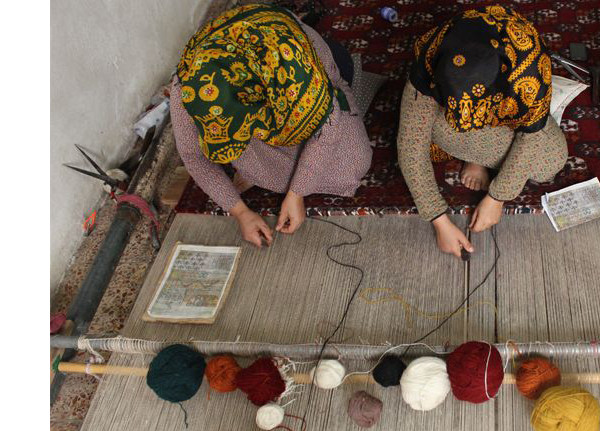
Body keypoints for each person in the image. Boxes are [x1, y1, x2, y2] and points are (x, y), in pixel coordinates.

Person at [171, 4, 372, 247]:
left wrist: (296, 193)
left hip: (318, 75)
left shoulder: (289, 62)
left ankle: (343, 67)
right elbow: (193, 155)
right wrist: (240, 212)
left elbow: (329, 121)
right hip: (270, 103)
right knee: (275, 174)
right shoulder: (190, 87)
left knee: (353, 164)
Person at [397, 5, 568, 258]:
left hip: (505, 112)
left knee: (550, 163)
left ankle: (476, 153)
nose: (465, 120)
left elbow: (531, 135)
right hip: (451, 116)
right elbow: (411, 144)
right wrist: (439, 221)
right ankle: (474, 156)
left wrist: (498, 197)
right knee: (425, 129)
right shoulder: (431, 54)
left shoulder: (529, 68)